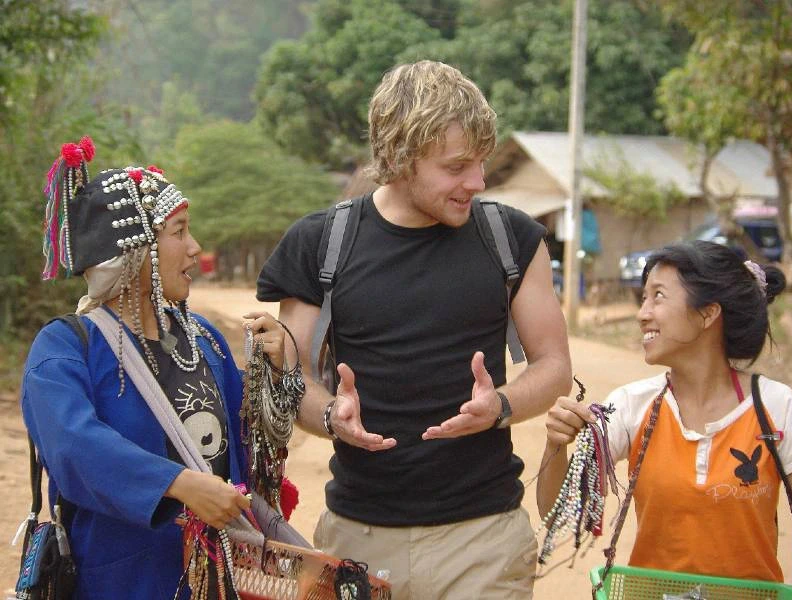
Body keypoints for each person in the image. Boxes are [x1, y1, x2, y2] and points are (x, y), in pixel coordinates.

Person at [256, 60, 572, 599]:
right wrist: (333, 415)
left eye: (481, 163)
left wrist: (499, 404)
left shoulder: (512, 239)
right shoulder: (320, 244)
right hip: (358, 541)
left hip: (485, 542)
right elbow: (295, 380)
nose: (477, 181)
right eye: (456, 167)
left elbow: (553, 367)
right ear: (401, 159)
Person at [20, 137, 288, 599]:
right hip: (124, 582)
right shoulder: (65, 348)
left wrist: (276, 377)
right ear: (136, 250)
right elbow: (72, 446)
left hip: (220, 580)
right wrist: (179, 485)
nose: (195, 248)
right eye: (179, 231)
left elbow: (249, 451)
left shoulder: (203, 339)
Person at [537, 240, 792, 583]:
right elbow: (560, 515)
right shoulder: (632, 405)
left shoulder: (775, 406)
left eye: (658, 296)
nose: (642, 313)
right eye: (644, 298)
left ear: (708, 313)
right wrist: (555, 444)